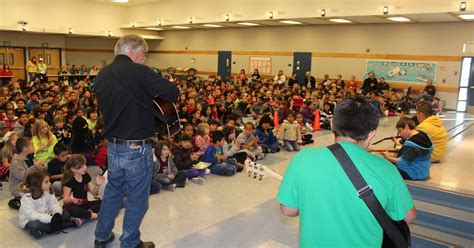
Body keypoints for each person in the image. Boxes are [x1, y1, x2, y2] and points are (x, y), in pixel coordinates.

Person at [277, 96, 416, 247]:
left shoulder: (303, 158)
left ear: (331, 124)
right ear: (371, 134)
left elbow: (288, 210)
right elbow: (408, 217)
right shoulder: (387, 169)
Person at [94, 34, 179, 248]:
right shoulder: (140, 72)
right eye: (143, 54)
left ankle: (101, 236)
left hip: (113, 146)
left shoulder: (102, 74)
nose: (144, 59)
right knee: (137, 199)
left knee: (113, 192)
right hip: (136, 148)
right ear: (131, 50)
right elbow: (172, 92)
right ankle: (130, 243)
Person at [19, 171, 78, 239]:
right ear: (37, 184)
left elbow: (54, 204)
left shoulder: (48, 191)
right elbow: (32, 215)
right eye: (46, 182)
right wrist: (50, 219)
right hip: (30, 219)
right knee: (35, 225)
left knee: (66, 213)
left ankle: (43, 231)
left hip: (47, 215)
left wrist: (56, 214)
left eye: (49, 181)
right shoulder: (27, 197)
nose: (49, 184)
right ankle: (62, 226)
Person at [62, 154, 103, 224]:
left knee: (105, 201)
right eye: (80, 167)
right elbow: (65, 200)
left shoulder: (86, 176)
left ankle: (83, 216)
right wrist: (71, 199)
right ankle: (94, 215)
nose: (85, 168)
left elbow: (94, 192)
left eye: (85, 165)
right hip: (73, 206)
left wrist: (98, 185)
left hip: (84, 204)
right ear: (73, 169)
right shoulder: (69, 181)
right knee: (73, 210)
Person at [9, 137, 45, 210]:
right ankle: (19, 200)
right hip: (20, 188)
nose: (34, 147)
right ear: (25, 148)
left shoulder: (30, 158)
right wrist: (34, 167)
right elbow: (23, 176)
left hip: (30, 185)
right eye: (32, 145)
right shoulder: (16, 162)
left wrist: (40, 167)